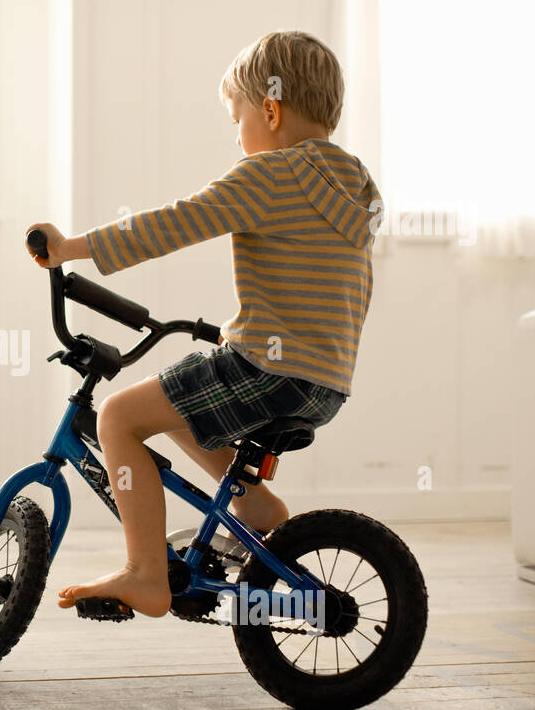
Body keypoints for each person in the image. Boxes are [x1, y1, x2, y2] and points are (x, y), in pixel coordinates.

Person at [29, 30, 382, 618]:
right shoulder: (356, 186)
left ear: (270, 110)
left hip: (270, 368)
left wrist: (70, 249)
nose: (238, 134)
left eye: (237, 116)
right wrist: (244, 332)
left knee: (118, 415)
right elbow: (330, 288)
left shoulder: (270, 174)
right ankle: (256, 507)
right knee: (177, 408)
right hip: (325, 380)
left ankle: (145, 574)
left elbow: (170, 224)